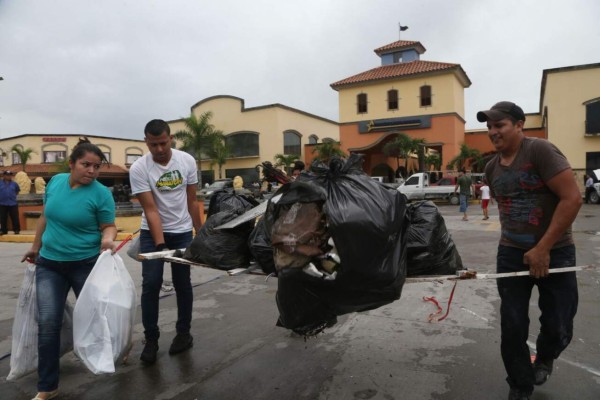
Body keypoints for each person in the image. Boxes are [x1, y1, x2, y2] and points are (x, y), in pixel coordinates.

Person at [477, 101, 582, 400]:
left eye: (499, 125)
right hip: (510, 253)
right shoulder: (490, 168)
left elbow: (572, 199)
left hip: (556, 250)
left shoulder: (540, 151)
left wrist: (543, 247)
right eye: (489, 127)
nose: (493, 132)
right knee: (512, 325)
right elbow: (508, 209)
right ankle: (520, 385)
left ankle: (546, 357)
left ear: (520, 125)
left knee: (559, 321)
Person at [21, 138, 117, 400]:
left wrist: (107, 239)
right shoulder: (56, 182)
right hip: (49, 264)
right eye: (86, 165)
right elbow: (44, 217)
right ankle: (47, 386)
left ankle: (119, 347)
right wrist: (35, 246)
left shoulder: (101, 194)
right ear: (72, 164)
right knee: (48, 323)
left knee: (99, 316)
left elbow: (108, 225)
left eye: (96, 167)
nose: (92, 171)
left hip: (84, 265)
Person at [129, 119, 203, 365]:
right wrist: (160, 245)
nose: (159, 149)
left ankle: (184, 334)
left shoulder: (186, 161)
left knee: (183, 282)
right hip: (152, 233)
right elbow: (150, 209)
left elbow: (192, 201)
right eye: (153, 145)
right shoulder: (139, 168)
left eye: (162, 143)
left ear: (170, 138)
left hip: (182, 231)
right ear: (146, 142)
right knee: (151, 283)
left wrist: (201, 233)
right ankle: (151, 339)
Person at [0, 170, 21, 234]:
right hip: (2, 203)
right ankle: (3, 230)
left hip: (13, 203)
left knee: (15, 217)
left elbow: (17, 191)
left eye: (10, 175)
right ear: (4, 176)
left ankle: (16, 230)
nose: (9, 176)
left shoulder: (14, 184)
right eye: (7, 175)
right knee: (2, 217)